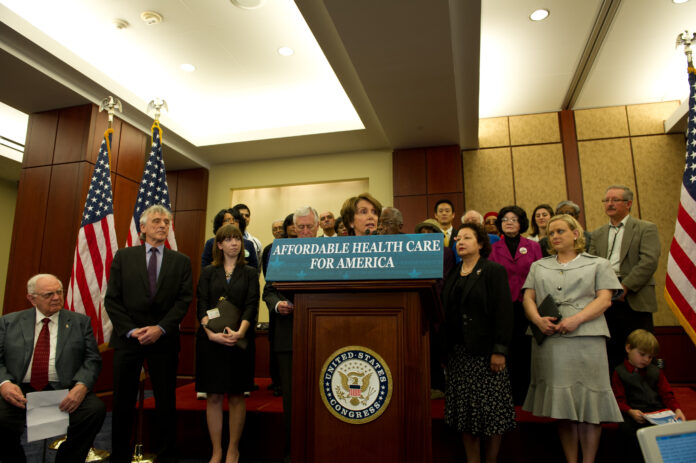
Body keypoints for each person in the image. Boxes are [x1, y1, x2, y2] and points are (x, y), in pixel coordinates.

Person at [522, 214, 623, 463]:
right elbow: (528, 298)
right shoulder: (539, 266)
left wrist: (577, 319)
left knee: (590, 406)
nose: (555, 236)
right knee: (562, 407)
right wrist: (537, 320)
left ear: (575, 234)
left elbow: (604, 299)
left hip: (587, 339)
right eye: (551, 232)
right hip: (550, 339)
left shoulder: (598, 264)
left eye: (561, 231)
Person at [105, 204, 193, 463]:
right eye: (156, 221)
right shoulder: (123, 256)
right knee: (122, 401)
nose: (163, 225)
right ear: (142, 228)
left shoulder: (181, 261)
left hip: (163, 341)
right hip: (128, 340)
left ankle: (167, 454)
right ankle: (119, 455)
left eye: (166, 221)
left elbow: (183, 300)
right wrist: (132, 330)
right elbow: (112, 299)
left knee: (166, 400)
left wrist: (160, 328)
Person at [0, 274, 106, 463]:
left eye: (59, 292)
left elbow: (92, 359)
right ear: (31, 298)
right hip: (19, 390)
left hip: (64, 390)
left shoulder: (80, 322)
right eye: (49, 294)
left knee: (94, 411)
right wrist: (4, 383)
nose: (56, 297)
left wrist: (81, 386)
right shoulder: (8, 322)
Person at [442, 223, 515, 463]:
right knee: (466, 416)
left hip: (486, 355)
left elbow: (504, 313)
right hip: (459, 356)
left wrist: (500, 351)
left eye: (467, 238)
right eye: (457, 238)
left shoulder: (493, 270)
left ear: (481, 243)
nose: (460, 242)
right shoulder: (453, 273)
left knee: (491, 415)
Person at [197, 224, 259, 463]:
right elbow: (202, 305)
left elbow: (252, 305)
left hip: (239, 341)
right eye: (229, 239)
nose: (234, 243)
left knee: (236, 395)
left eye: (237, 239)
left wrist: (240, 332)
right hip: (211, 342)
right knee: (213, 396)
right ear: (219, 245)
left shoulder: (251, 272)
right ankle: (216, 451)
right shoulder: (208, 272)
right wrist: (210, 334)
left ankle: (233, 449)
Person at [262, 206, 319, 462]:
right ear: (294, 229)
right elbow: (269, 291)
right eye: (301, 227)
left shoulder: (333, 251)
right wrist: (277, 305)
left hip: (323, 337)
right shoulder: (281, 252)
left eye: (310, 226)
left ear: (317, 227)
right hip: (288, 338)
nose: (305, 231)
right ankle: (293, 454)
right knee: (292, 403)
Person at [588, 185, 660, 369]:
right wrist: (605, 289)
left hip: (635, 297)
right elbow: (591, 264)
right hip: (605, 297)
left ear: (628, 204)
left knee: (639, 351)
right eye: (606, 200)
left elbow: (649, 262)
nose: (609, 204)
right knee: (612, 352)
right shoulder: (597, 234)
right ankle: (614, 395)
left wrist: (624, 287)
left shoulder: (646, 228)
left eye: (615, 200)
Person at [488, 205, 542, 405]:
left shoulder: (533, 246)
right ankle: (506, 394)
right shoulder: (493, 248)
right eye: (505, 219)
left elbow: (540, 274)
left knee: (526, 350)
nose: (509, 222)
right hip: (503, 306)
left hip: (528, 305)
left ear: (521, 223)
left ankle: (527, 393)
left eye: (514, 219)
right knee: (505, 350)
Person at [611, 329, 686, 463]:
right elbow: (618, 399)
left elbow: (667, 394)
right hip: (634, 413)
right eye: (642, 354)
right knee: (628, 432)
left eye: (650, 357)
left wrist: (677, 409)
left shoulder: (655, 371)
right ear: (628, 348)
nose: (646, 360)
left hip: (657, 412)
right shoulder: (619, 372)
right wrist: (630, 411)